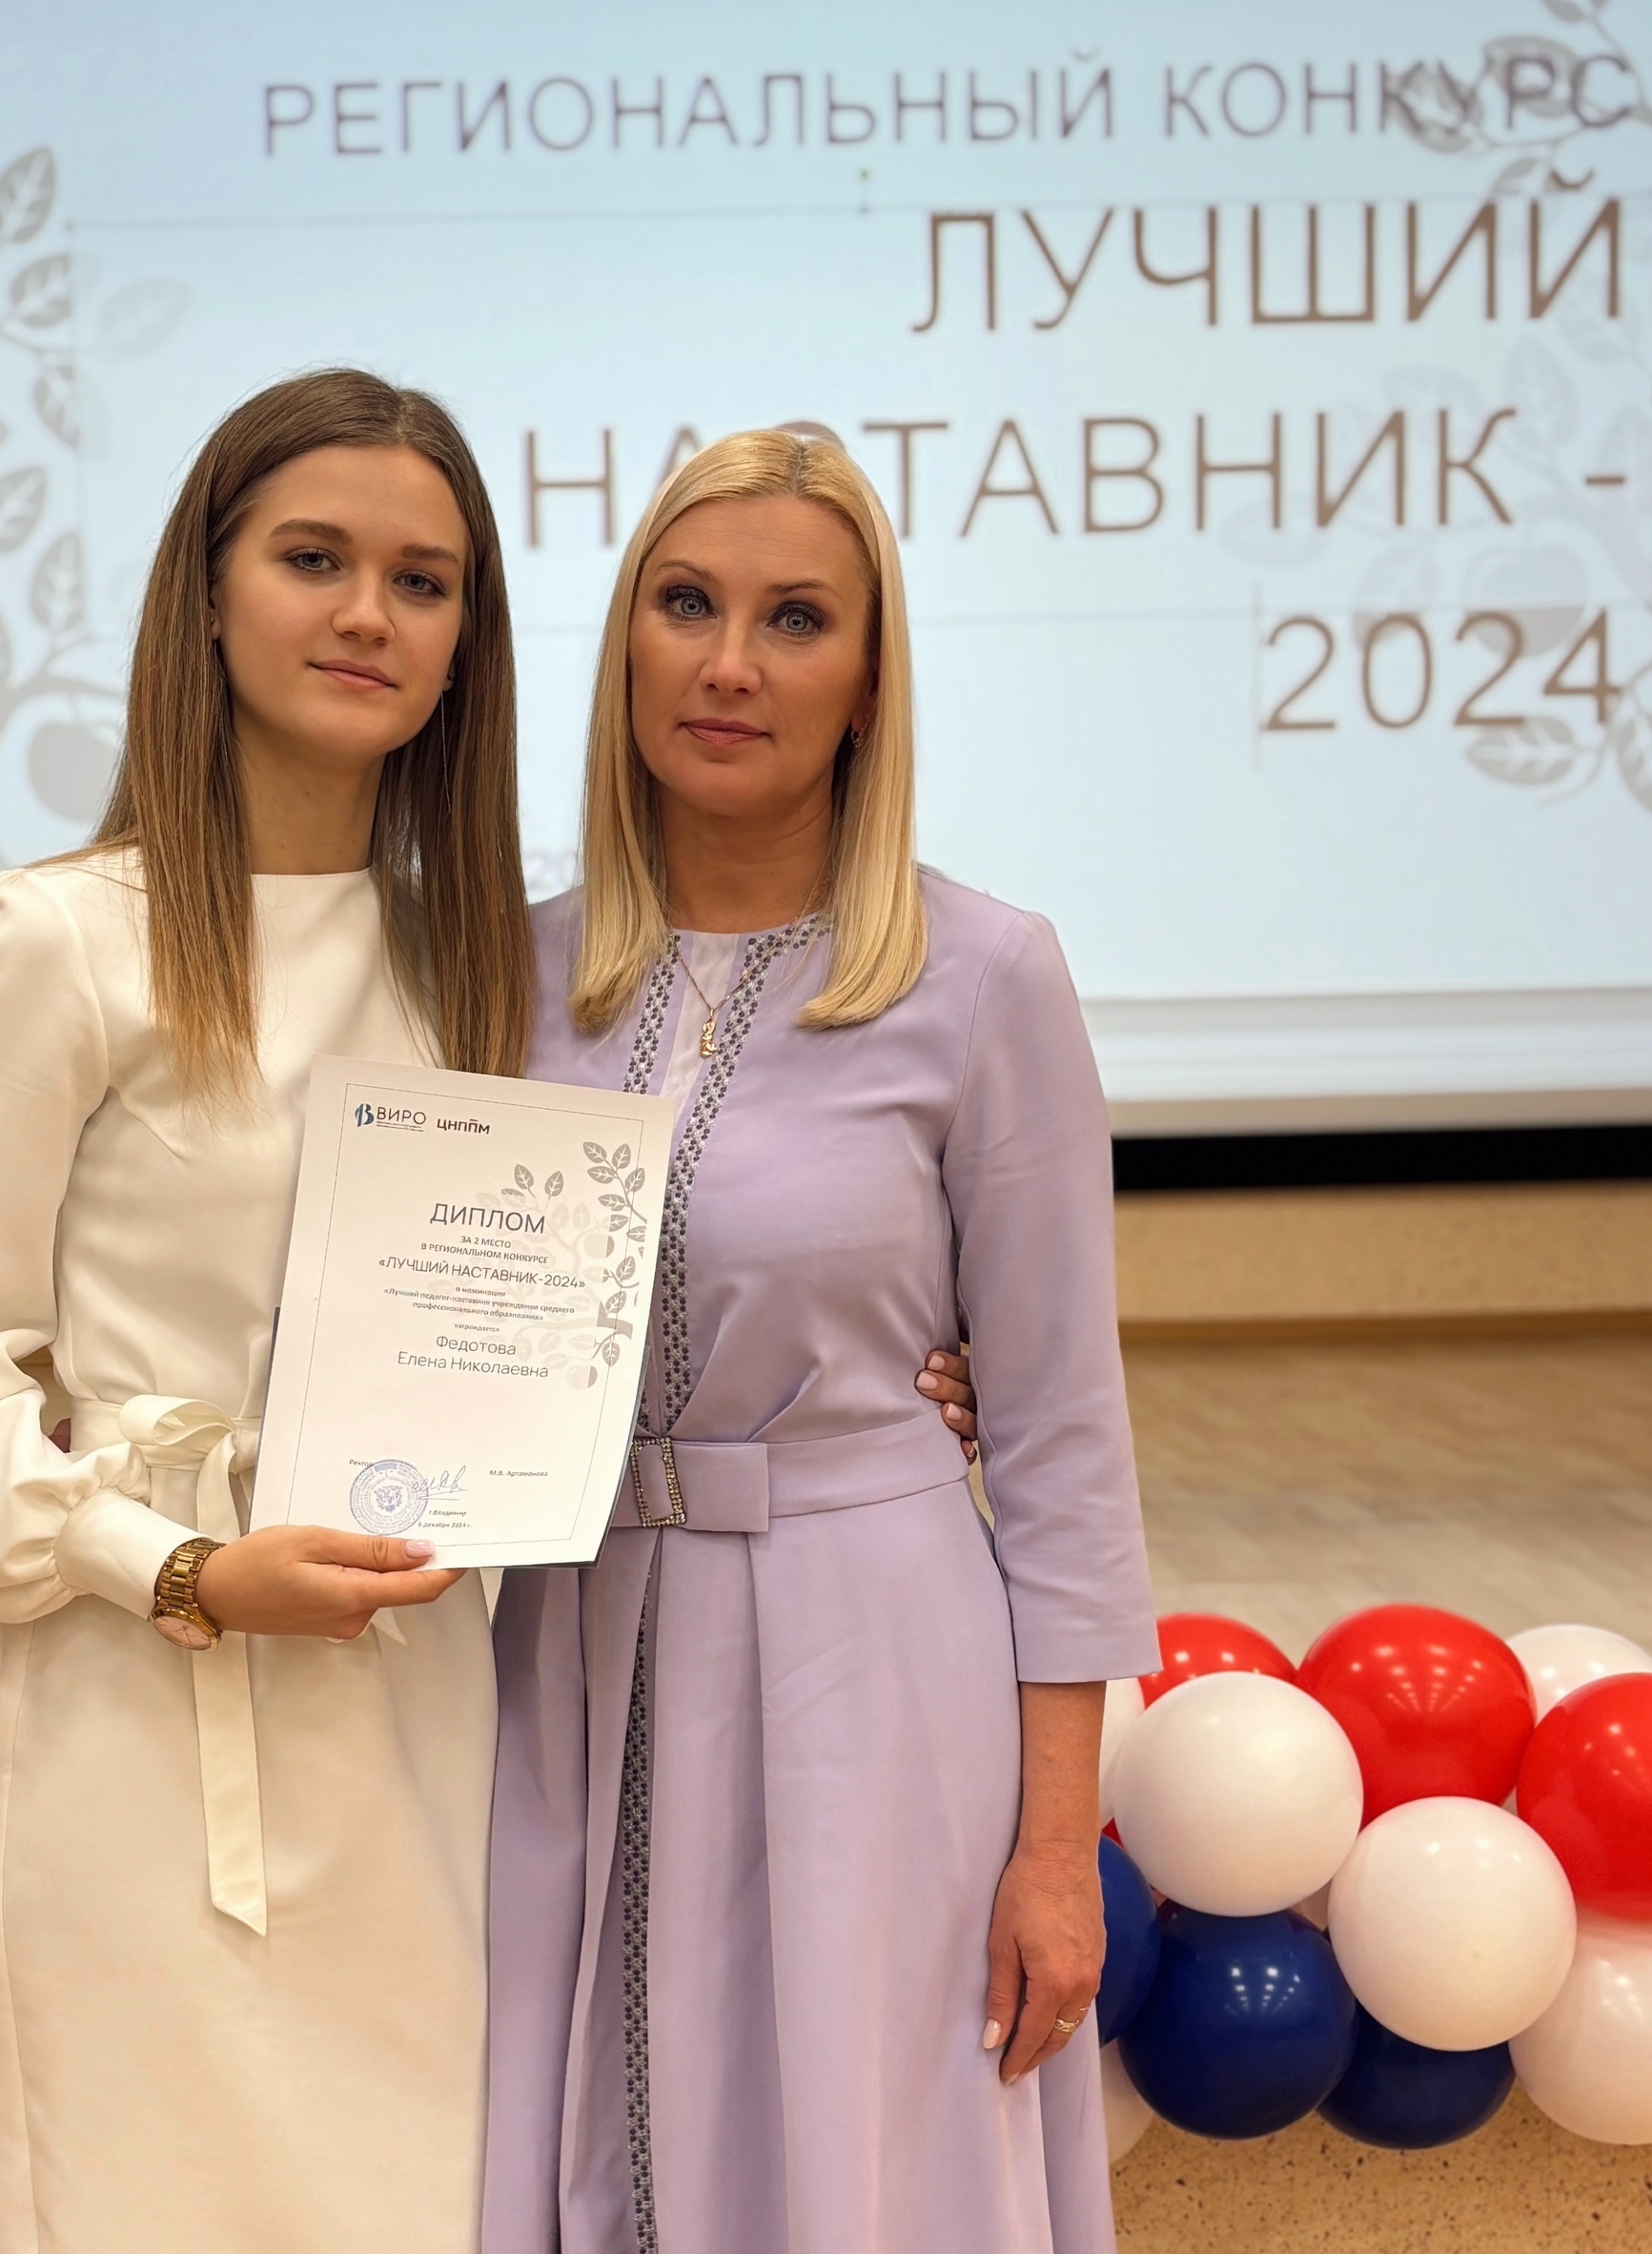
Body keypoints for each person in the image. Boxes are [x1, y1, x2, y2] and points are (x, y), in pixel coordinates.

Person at [0, 372, 982, 2253]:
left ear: (470, 640)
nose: (369, 614)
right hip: (151, 1726)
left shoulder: (494, 970)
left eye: (424, 580)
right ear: (207, 593)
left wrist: (904, 1380)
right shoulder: (63, 941)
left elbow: (641, 1272)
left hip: (433, 1728)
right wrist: (182, 1566)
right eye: (315, 560)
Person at [483, 430, 1157, 2254]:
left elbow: (1065, 1445)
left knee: (861, 2154)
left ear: (868, 683)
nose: (730, 664)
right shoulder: (504, 973)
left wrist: (1057, 1852)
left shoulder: (986, 976)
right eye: (685, 604)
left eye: (796, 619)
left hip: (873, 1662)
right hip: (569, 1655)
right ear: (624, 643)